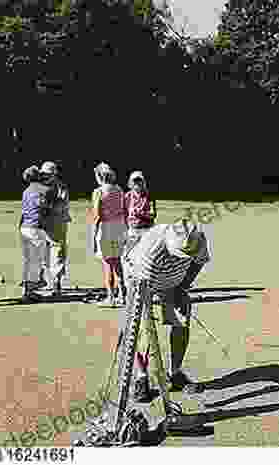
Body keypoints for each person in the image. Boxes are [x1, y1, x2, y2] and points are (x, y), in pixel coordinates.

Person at [121, 218, 210, 403]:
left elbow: (198, 262)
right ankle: (141, 378)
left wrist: (182, 286)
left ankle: (175, 373)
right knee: (143, 330)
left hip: (174, 281)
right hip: (140, 280)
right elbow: (143, 286)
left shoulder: (197, 239)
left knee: (181, 323)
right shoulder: (151, 247)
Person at [91, 162, 128, 307]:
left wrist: (94, 234)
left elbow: (97, 215)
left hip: (105, 228)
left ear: (99, 176)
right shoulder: (119, 190)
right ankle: (123, 294)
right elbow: (124, 210)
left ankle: (110, 297)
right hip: (119, 227)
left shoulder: (98, 192)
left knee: (108, 263)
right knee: (118, 262)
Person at [19, 165, 54, 303]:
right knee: (37, 261)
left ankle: (28, 290)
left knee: (29, 260)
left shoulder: (26, 191)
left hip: (24, 227)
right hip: (36, 228)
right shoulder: (45, 190)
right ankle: (30, 292)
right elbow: (47, 209)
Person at [40, 161, 71, 294]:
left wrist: (48, 207)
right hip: (44, 224)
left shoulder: (61, 187)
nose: (45, 176)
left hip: (58, 223)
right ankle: (49, 281)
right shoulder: (40, 186)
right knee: (44, 253)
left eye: (47, 174)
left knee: (58, 252)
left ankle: (56, 282)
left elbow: (62, 204)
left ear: (54, 174)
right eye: (44, 174)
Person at [123, 171, 157, 254]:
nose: (137, 183)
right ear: (130, 183)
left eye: (139, 180)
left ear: (143, 182)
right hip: (132, 230)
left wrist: (140, 213)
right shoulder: (127, 196)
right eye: (134, 181)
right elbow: (124, 214)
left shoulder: (149, 196)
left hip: (147, 230)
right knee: (127, 255)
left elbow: (153, 214)